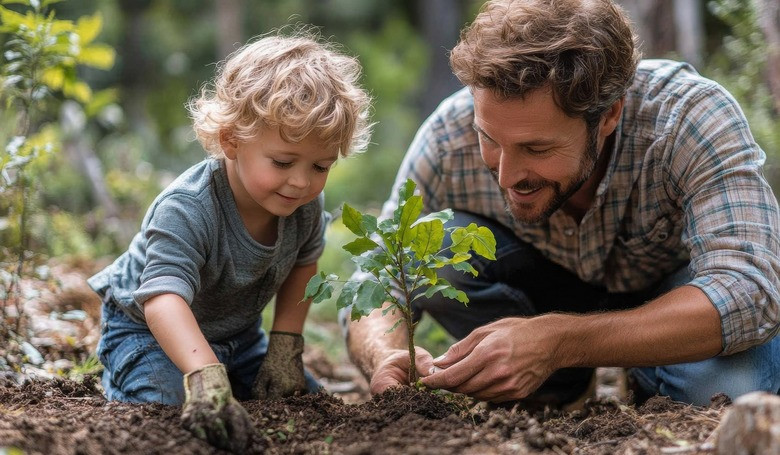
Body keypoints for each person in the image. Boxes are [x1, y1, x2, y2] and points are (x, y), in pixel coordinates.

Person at [342, 0, 780, 409]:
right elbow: (378, 276)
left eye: (537, 148)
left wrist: (558, 341)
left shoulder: (689, 117)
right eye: (489, 140)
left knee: (728, 391)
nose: (506, 175)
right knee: (431, 245)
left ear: (608, 116)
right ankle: (556, 384)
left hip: (670, 299)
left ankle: (649, 370)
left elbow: (749, 290)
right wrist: (385, 353)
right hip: (539, 287)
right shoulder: (446, 134)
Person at [88, 32, 372, 451]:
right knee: (169, 410)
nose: (301, 181)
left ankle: (227, 372)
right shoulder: (188, 207)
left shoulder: (305, 206)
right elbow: (162, 299)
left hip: (239, 338)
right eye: (282, 162)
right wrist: (204, 374)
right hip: (144, 332)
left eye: (321, 166)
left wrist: (284, 346)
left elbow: (303, 266)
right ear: (231, 141)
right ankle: (127, 377)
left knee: (304, 405)